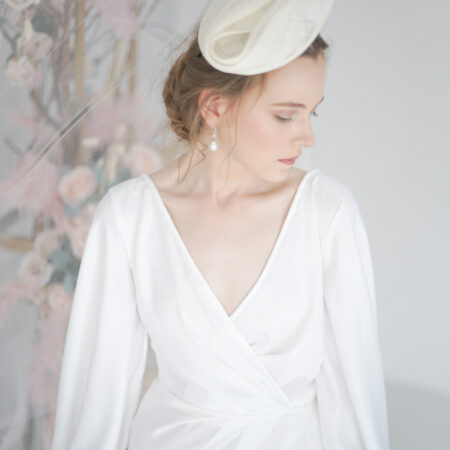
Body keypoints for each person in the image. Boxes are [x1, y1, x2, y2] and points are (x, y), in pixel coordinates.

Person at [51, 1, 390, 449]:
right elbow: (97, 400)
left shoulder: (327, 213)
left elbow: (354, 402)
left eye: (312, 113)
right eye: (285, 115)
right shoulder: (129, 218)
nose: (307, 137)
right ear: (214, 106)